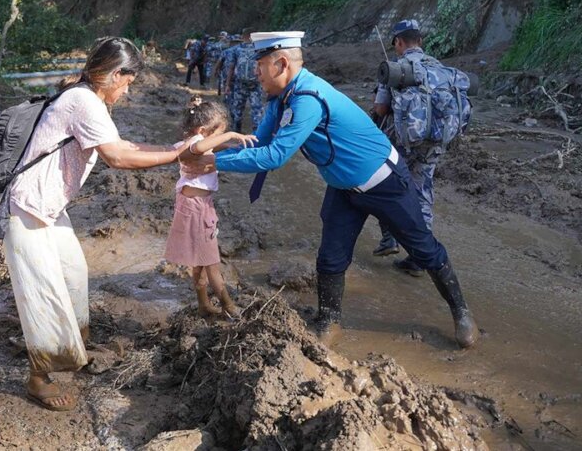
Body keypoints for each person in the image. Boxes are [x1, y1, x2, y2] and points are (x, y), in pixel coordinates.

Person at [185, 31, 479, 349]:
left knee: (423, 249)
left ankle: (462, 313)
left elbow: (275, 156)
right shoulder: (280, 99)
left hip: (384, 182)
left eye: (259, 65)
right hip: (342, 186)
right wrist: (217, 149)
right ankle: (329, 321)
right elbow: (262, 142)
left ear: (281, 64)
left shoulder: (307, 99)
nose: (255, 71)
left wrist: (210, 162)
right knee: (330, 258)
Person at [4, 36, 191, 411]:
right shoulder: (83, 100)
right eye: (128, 82)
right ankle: (38, 378)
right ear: (113, 74)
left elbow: (124, 144)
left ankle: (79, 349)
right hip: (26, 209)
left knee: (74, 274)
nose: (127, 90)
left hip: (50, 209)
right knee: (44, 294)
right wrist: (174, 157)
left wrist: (175, 150)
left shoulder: (87, 99)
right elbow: (117, 157)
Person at [372, 20, 462, 271]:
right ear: (420, 41)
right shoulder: (442, 70)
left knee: (384, 187)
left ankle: (389, 237)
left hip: (401, 143)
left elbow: (380, 108)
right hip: (434, 142)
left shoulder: (396, 69)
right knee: (423, 195)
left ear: (398, 43)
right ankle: (420, 257)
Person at [164, 99, 255, 318]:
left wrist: (234, 146)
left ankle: (203, 304)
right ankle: (229, 306)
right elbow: (202, 146)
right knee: (212, 263)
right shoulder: (195, 142)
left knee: (199, 262)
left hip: (197, 207)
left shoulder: (196, 139)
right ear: (203, 130)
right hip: (196, 210)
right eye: (218, 133)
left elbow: (212, 145)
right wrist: (231, 135)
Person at [226, 31, 265, 132]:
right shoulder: (260, 49)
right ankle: (256, 135)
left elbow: (231, 68)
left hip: (240, 84)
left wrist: (227, 85)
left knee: (237, 110)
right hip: (255, 84)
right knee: (256, 110)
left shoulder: (236, 49)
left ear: (243, 36)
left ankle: (236, 132)